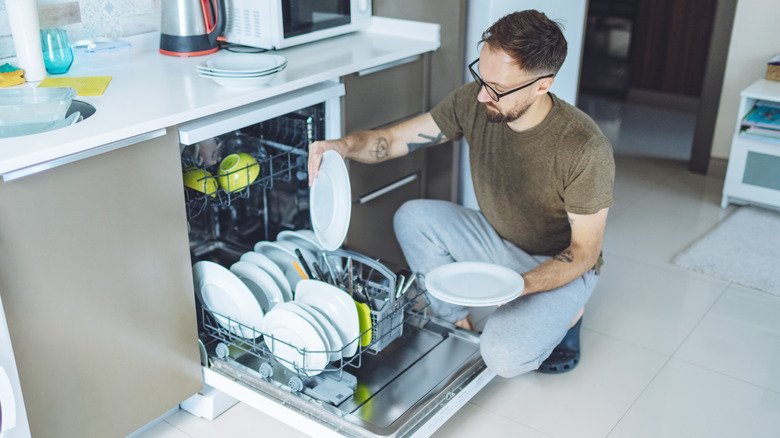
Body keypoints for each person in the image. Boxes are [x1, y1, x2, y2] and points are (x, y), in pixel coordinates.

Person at [308, 10, 614, 377]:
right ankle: (458, 322)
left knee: (503, 358)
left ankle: (570, 314)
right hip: (497, 239)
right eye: (481, 77)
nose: (483, 94)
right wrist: (341, 145)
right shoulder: (475, 100)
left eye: (497, 88)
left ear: (542, 86)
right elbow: (393, 141)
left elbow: (584, 252)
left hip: (557, 264)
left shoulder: (584, 147)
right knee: (413, 217)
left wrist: (519, 287)